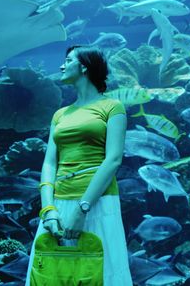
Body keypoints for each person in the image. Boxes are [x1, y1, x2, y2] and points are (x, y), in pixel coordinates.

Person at [24, 45, 132, 285]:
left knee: (102, 272)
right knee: (51, 274)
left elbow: (113, 159)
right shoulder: (60, 114)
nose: (62, 65)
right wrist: (48, 210)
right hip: (58, 203)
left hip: (98, 202)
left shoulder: (112, 107)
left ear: (84, 66)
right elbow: (50, 163)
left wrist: (82, 209)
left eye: (68, 60)